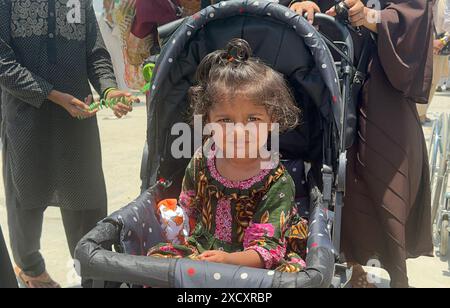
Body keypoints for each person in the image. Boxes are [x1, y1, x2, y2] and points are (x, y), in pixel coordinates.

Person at [289, 0, 433, 288]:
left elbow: (412, 14)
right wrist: (298, 3)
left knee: (384, 164)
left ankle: (390, 268)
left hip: (378, 73)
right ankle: (341, 264)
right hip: (314, 67)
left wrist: (371, 16)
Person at [0, 0, 137, 288]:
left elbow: (95, 52)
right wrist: (53, 95)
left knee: (85, 197)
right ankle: (31, 269)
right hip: (25, 118)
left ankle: (92, 271)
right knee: (26, 196)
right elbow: (3, 62)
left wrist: (109, 88)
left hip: (77, 117)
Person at [147, 39, 308, 272]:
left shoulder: (276, 181)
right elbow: (188, 209)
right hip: (203, 252)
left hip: (254, 264)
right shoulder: (202, 160)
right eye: (225, 120)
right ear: (208, 122)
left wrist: (228, 261)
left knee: (291, 276)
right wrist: (175, 225)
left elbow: (268, 249)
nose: (239, 131)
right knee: (157, 259)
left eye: (253, 119)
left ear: (272, 121)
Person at [417, 0, 450, 123]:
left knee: (433, 81)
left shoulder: (443, 2)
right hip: (426, 42)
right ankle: (419, 113)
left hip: (439, 42)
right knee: (426, 81)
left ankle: (422, 113)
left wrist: (443, 41)